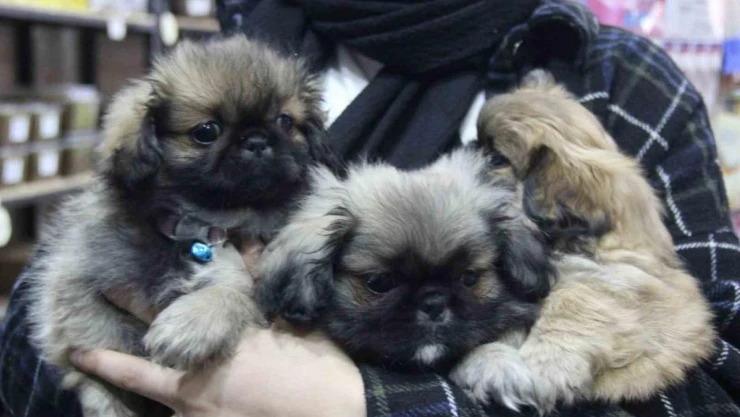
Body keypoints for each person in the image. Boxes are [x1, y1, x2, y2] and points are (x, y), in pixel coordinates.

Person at [2, 0, 739, 416]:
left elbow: (720, 385)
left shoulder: (614, 80)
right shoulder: (237, 50)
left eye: (284, 128)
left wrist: (365, 404)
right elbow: (36, 348)